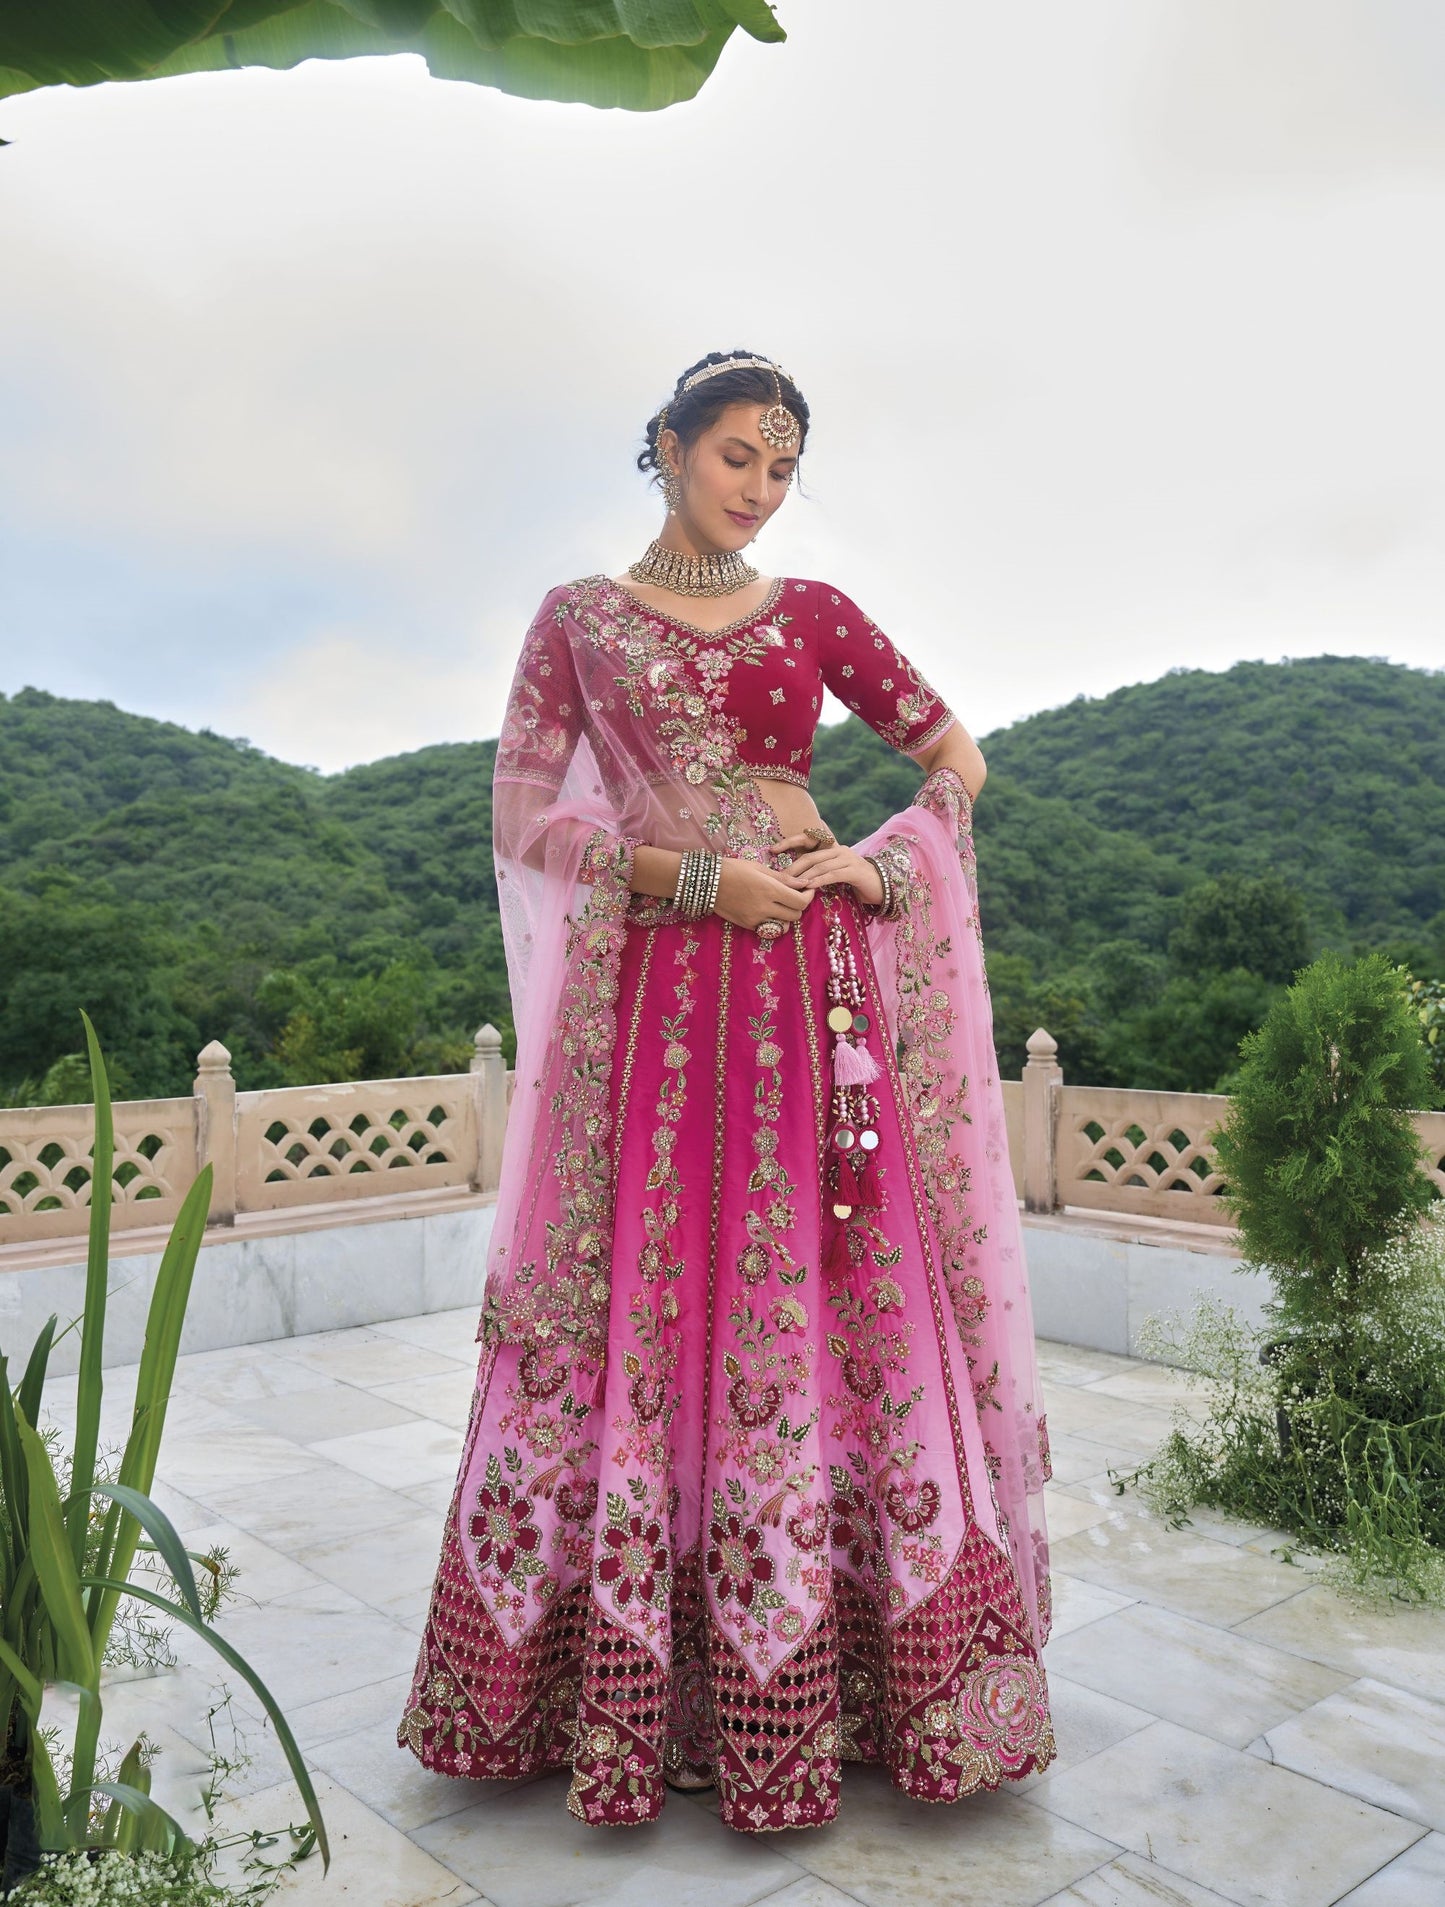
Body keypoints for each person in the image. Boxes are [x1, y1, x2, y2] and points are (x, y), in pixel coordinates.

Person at [399, 350, 1055, 1833]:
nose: (758, 489)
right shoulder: (576, 620)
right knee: (653, 1291)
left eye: (780, 466)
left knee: (833, 1285)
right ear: (667, 446)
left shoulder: (813, 616)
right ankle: (620, 1683)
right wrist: (692, 877)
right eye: (736, 457)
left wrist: (876, 864)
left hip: (812, 993)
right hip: (660, 1006)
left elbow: (955, 754)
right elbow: (519, 817)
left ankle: (866, 1676)